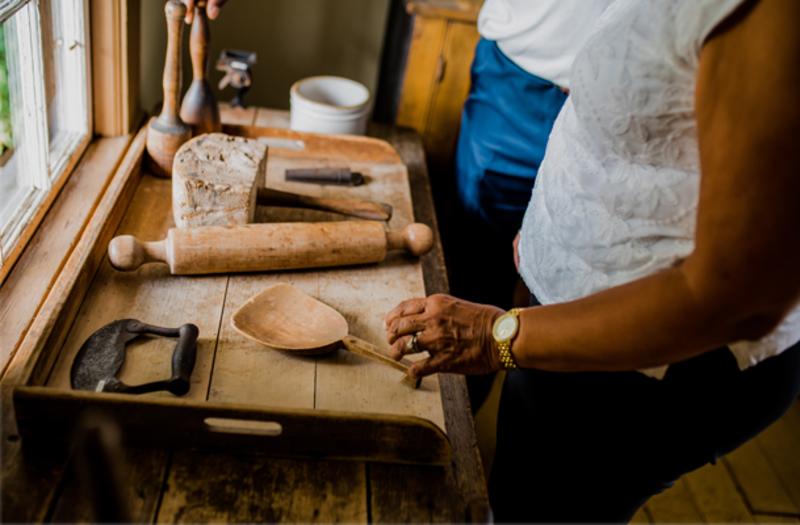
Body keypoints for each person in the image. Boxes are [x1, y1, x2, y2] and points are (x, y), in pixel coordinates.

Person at [385, 0, 800, 521]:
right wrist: (552, 228)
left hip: (655, 360)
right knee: (516, 499)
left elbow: (739, 296)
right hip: (572, 327)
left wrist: (494, 335)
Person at [451, 0, 612, 408]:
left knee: (580, 293)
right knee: (477, 273)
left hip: (625, 102)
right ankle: (456, 425)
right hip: (519, 78)